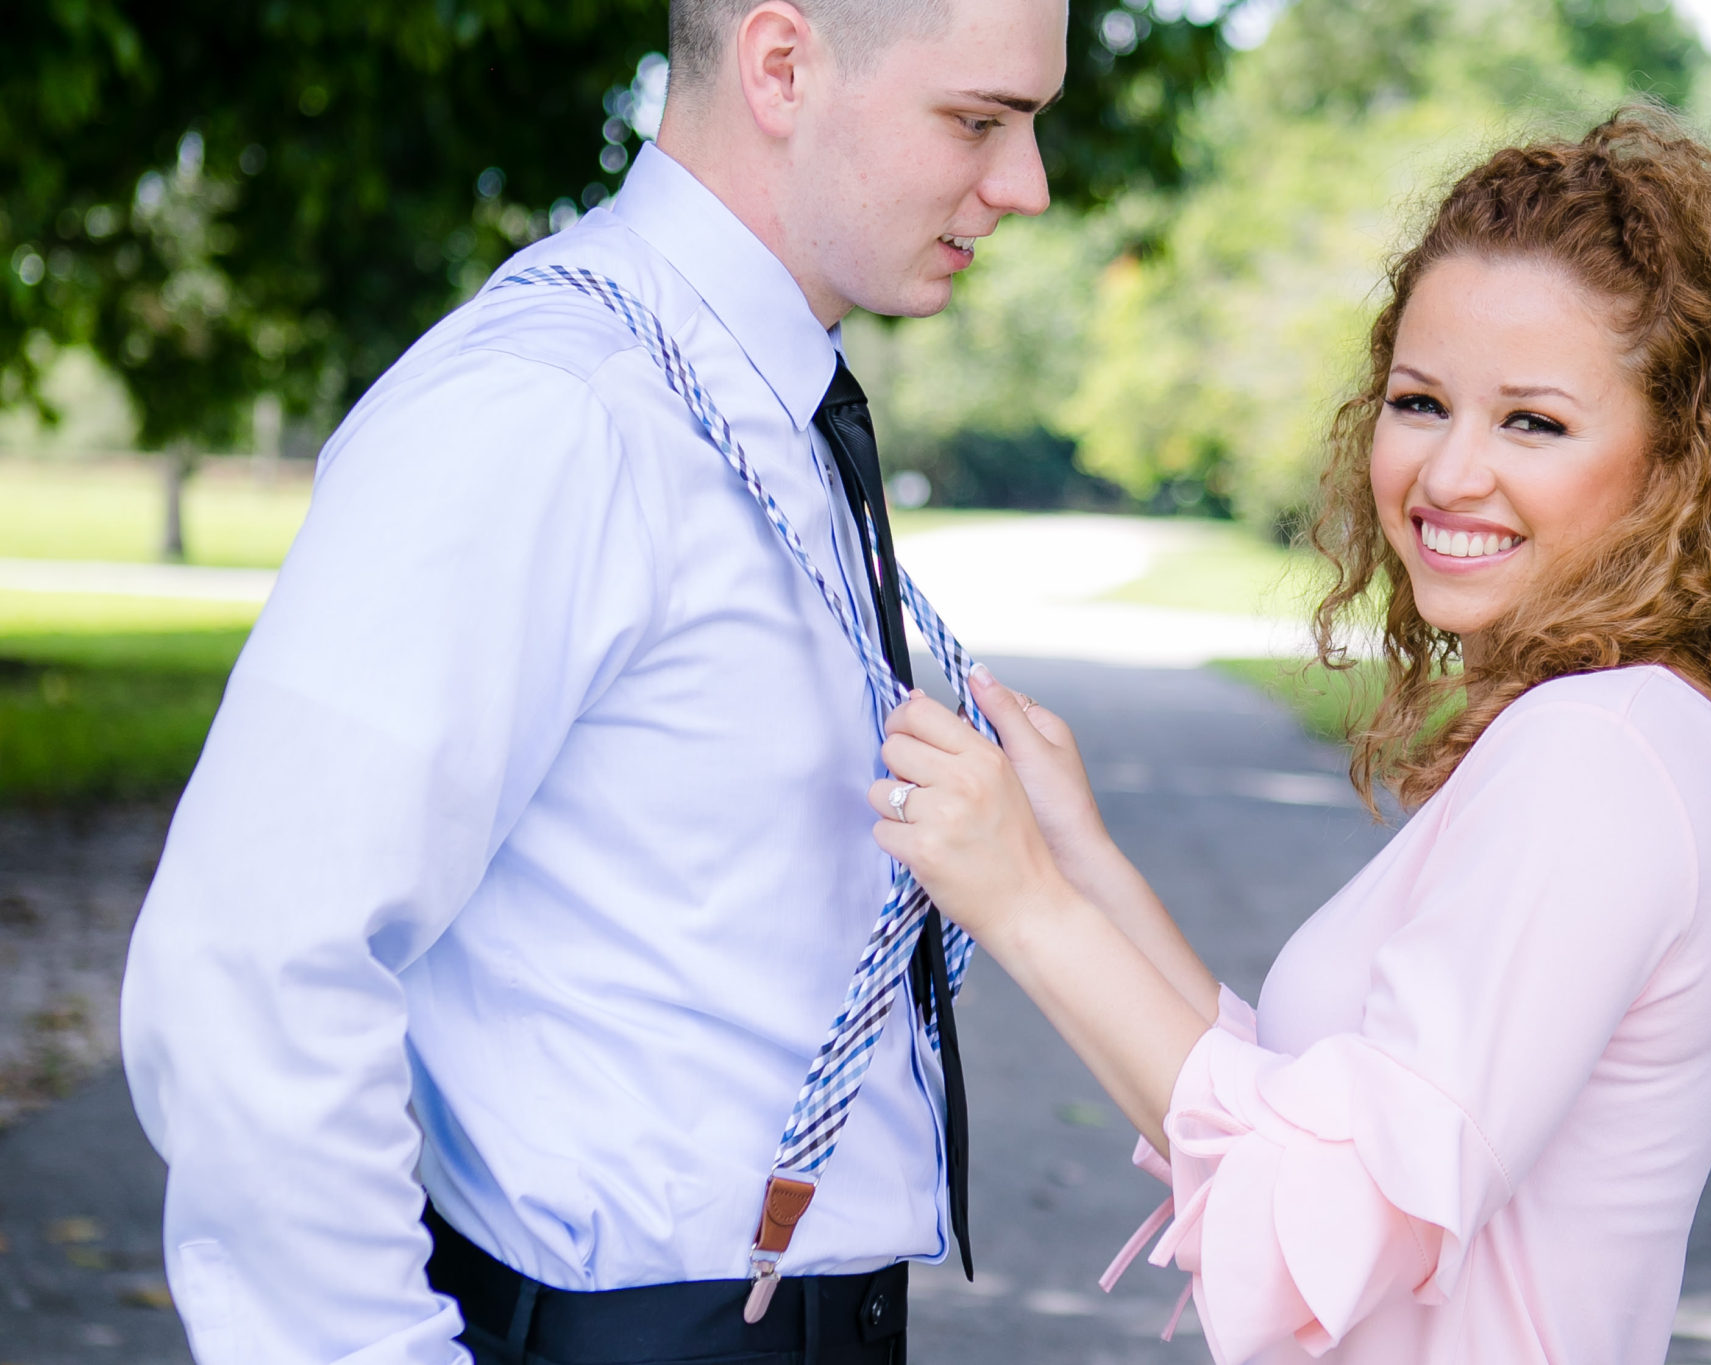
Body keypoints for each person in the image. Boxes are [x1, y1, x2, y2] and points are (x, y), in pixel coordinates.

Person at [864, 112, 1711, 1365]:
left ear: (1680, 461)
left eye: (1533, 422)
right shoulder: (1621, 729)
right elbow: (1311, 1120)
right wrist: (1075, 859)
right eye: (1420, 402)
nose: (1448, 472)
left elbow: (1328, 1214)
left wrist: (1025, 907)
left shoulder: (1601, 759)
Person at [118, 1, 1066, 1362]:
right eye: (980, 121)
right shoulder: (552, 411)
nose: (1026, 186)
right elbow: (255, 964)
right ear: (782, 65)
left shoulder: (756, 408)